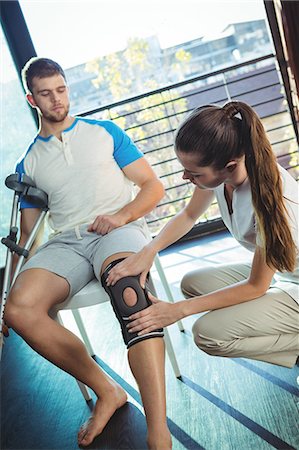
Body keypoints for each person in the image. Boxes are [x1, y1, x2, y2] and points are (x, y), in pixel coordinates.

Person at [4, 57, 172, 449]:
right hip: (67, 242)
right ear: (32, 99)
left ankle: (158, 433)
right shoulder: (28, 161)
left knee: (128, 290)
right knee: (19, 307)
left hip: (118, 229)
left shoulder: (104, 132)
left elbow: (152, 186)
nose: (57, 99)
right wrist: (6, 294)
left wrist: (120, 216)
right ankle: (107, 390)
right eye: (46, 93)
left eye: (61, 89)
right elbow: (27, 236)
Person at [107, 100, 299, 369]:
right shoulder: (224, 172)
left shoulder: (269, 198)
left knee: (208, 334)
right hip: (284, 274)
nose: (186, 177)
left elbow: (257, 286)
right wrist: (147, 252)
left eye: (194, 173)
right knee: (191, 283)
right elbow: (188, 215)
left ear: (229, 166)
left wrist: (176, 311)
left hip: (291, 285)